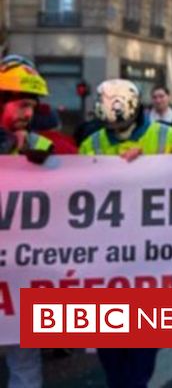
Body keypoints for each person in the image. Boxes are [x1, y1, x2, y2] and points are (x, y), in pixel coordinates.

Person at [77, 79, 172, 387]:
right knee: (111, 358)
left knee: (140, 361)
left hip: (151, 265)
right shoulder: (89, 144)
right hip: (106, 267)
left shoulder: (169, 137)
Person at [0, 55, 49, 387]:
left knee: (25, 368)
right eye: (21, 104)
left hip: (21, 283)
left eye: (32, 106)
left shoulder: (40, 145)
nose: (28, 114)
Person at [80, 79, 172, 159]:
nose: (116, 128)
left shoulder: (171, 137)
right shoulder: (90, 145)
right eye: (111, 123)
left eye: (120, 122)